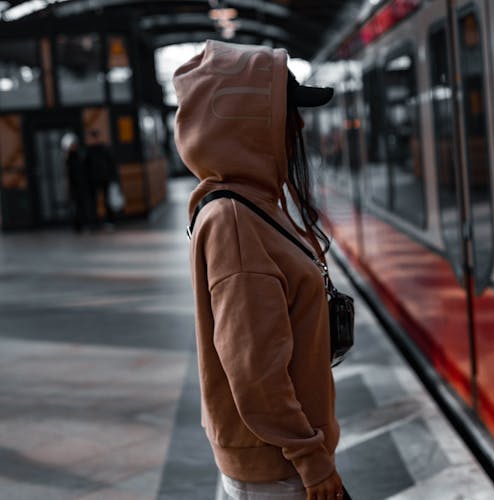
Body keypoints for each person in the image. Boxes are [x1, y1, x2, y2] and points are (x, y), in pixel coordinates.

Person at [173, 41, 345, 500]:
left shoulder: (255, 204)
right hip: (279, 474)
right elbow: (255, 371)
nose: (301, 125)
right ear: (252, 125)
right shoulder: (235, 221)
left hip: (280, 463)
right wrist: (311, 460)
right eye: (289, 113)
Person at [84, 129, 119, 226]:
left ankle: (110, 220)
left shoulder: (103, 149)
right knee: (94, 202)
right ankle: (95, 222)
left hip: (104, 179)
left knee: (107, 201)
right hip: (94, 180)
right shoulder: (89, 151)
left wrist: (113, 178)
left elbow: (111, 164)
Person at [64, 134, 91, 232]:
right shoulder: (69, 159)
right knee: (76, 207)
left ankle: (84, 224)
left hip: (81, 185)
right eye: (72, 145)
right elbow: (68, 175)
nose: (74, 147)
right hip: (74, 187)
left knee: (83, 206)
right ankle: (78, 226)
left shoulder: (79, 156)